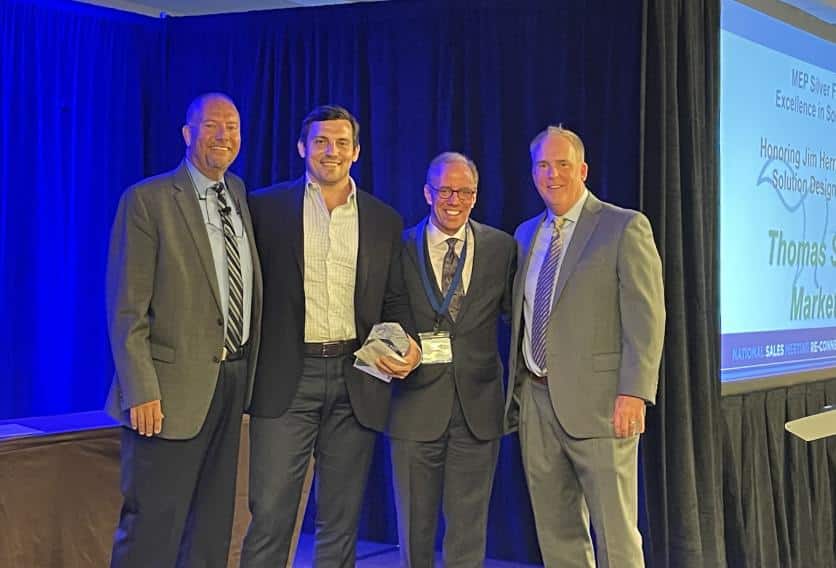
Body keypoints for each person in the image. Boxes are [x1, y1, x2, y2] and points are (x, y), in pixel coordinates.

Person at [241, 104, 420, 567]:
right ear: (303, 147)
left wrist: (409, 344)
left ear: (356, 152)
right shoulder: (264, 208)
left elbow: (395, 301)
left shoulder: (384, 220)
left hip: (355, 380)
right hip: (285, 380)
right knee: (271, 514)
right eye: (320, 141)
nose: (330, 151)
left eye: (341, 143)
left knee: (341, 521)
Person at [105, 92, 263, 567]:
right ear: (187, 133)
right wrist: (141, 390)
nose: (224, 136)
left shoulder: (238, 193)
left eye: (232, 127)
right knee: (153, 526)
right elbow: (125, 308)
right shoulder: (148, 200)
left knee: (212, 528)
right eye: (212, 126)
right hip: (166, 394)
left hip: (230, 382)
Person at [504, 126, 665, 567]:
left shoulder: (623, 226)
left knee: (615, 532)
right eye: (542, 165)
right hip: (536, 400)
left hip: (602, 404)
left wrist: (635, 392)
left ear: (583, 169)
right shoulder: (524, 234)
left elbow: (646, 317)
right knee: (556, 531)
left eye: (562, 164)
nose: (552, 174)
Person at [387, 152, 516, 567]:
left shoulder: (501, 247)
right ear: (428, 193)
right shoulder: (400, 246)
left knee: (468, 529)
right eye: (445, 190)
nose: (454, 199)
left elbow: (519, 317)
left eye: (464, 191)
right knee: (415, 529)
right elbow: (382, 313)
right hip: (414, 406)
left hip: (477, 410)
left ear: (476, 196)